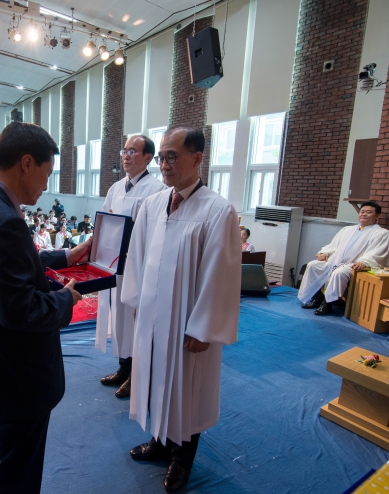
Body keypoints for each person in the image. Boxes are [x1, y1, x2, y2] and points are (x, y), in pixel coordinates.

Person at [0, 122, 92, 494]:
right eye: (47, 173)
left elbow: (9, 267)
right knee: (15, 477)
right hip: (16, 376)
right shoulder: (5, 221)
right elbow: (22, 310)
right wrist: (65, 299)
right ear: (27, 163)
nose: (46, 185)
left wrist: (67, 256)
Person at [120, 127, 241, 492]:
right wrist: (137, 301)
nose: (164, 164)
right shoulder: (154, 203)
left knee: (187, 387)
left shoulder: (217, 210)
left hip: (187, 322)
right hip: (153, 317)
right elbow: (138, 256)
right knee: (155, 378)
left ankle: (182, 459)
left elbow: (221, 274)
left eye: (172, 157)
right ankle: (159, 441)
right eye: (162, 157)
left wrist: (204, 327)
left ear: (197, 158)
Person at [96, 134, 167, 398]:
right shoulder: (115, 188)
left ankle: (137, 374)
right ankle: (124, 367)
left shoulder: (157, 190)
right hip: (116, 265)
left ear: (148, 157)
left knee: (137, 319)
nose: (126, 156)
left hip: (139, 265)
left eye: (133, 151)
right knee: (120, 318)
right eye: (124, 151)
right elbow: (105, 223)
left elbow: (156, 232)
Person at [298, 201, 389, 315]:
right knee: (313, 265)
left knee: (339, 273)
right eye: (362, 212)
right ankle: (316, 298)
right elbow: (333, 245)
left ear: (377, 216)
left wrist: (364, 262)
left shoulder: (382, 233)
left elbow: (376, 253)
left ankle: (328, 303)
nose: (364, 214)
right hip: (335, 260)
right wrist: (325, 253)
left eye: (368, 212)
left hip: (353, 265)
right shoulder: (347, 229)